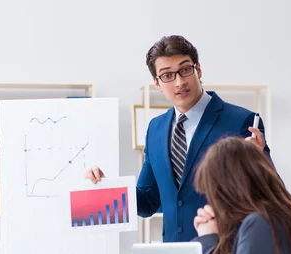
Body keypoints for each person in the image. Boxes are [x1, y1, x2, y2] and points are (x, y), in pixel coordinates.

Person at [86, 35, 273, 241]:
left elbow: (272, 196)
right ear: (157, 83)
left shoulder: (241, 121)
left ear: (198, 70)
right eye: (167, 75)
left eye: (185, 70)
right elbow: (148, 202)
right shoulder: (155, 128)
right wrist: (106, 186)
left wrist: (259, 163)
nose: (179, 82)